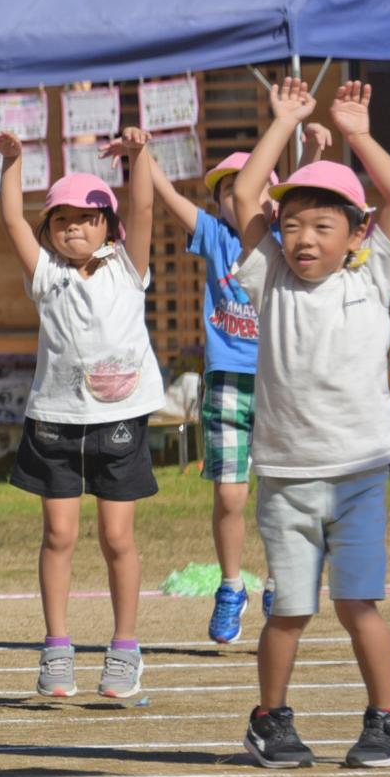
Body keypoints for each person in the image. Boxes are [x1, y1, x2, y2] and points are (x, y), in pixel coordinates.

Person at [230, 78, 390, 769]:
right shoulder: (269, 275)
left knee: (358, 602)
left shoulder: (372, 277)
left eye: (323, 225)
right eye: (295, 224)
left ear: (357, 233)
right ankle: (270, 719)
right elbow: (249, 198)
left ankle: (386, 716)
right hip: (286, 477)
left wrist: (358, 134)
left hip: (360, 473)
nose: (304, 238)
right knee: (290, 609)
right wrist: (281, 122)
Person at [0, 126, 162, 701]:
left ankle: (124, 648)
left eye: (88, 218)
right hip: (55, 422)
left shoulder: (128, 267)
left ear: (108, 227)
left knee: (118, 538)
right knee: (59, 534)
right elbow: (13, 219)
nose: (74, 227)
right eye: (62, 219)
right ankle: (57, 647)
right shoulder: (46, 275)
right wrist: (14, 163)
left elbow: (142, 203)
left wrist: (139, 156)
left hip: (120, 424)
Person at [150, 127, 326, 641]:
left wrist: (313, 148)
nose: (235, 196)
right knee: (230, 497)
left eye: (247, 186)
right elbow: (168, 198)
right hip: (227, 380)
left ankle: (277, 580)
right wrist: (144, 158)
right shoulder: (213, 235)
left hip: (280, 381)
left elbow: (306, 189)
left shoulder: (283, 241)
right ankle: (231, 586)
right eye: (226, 190)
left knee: (277, 494)